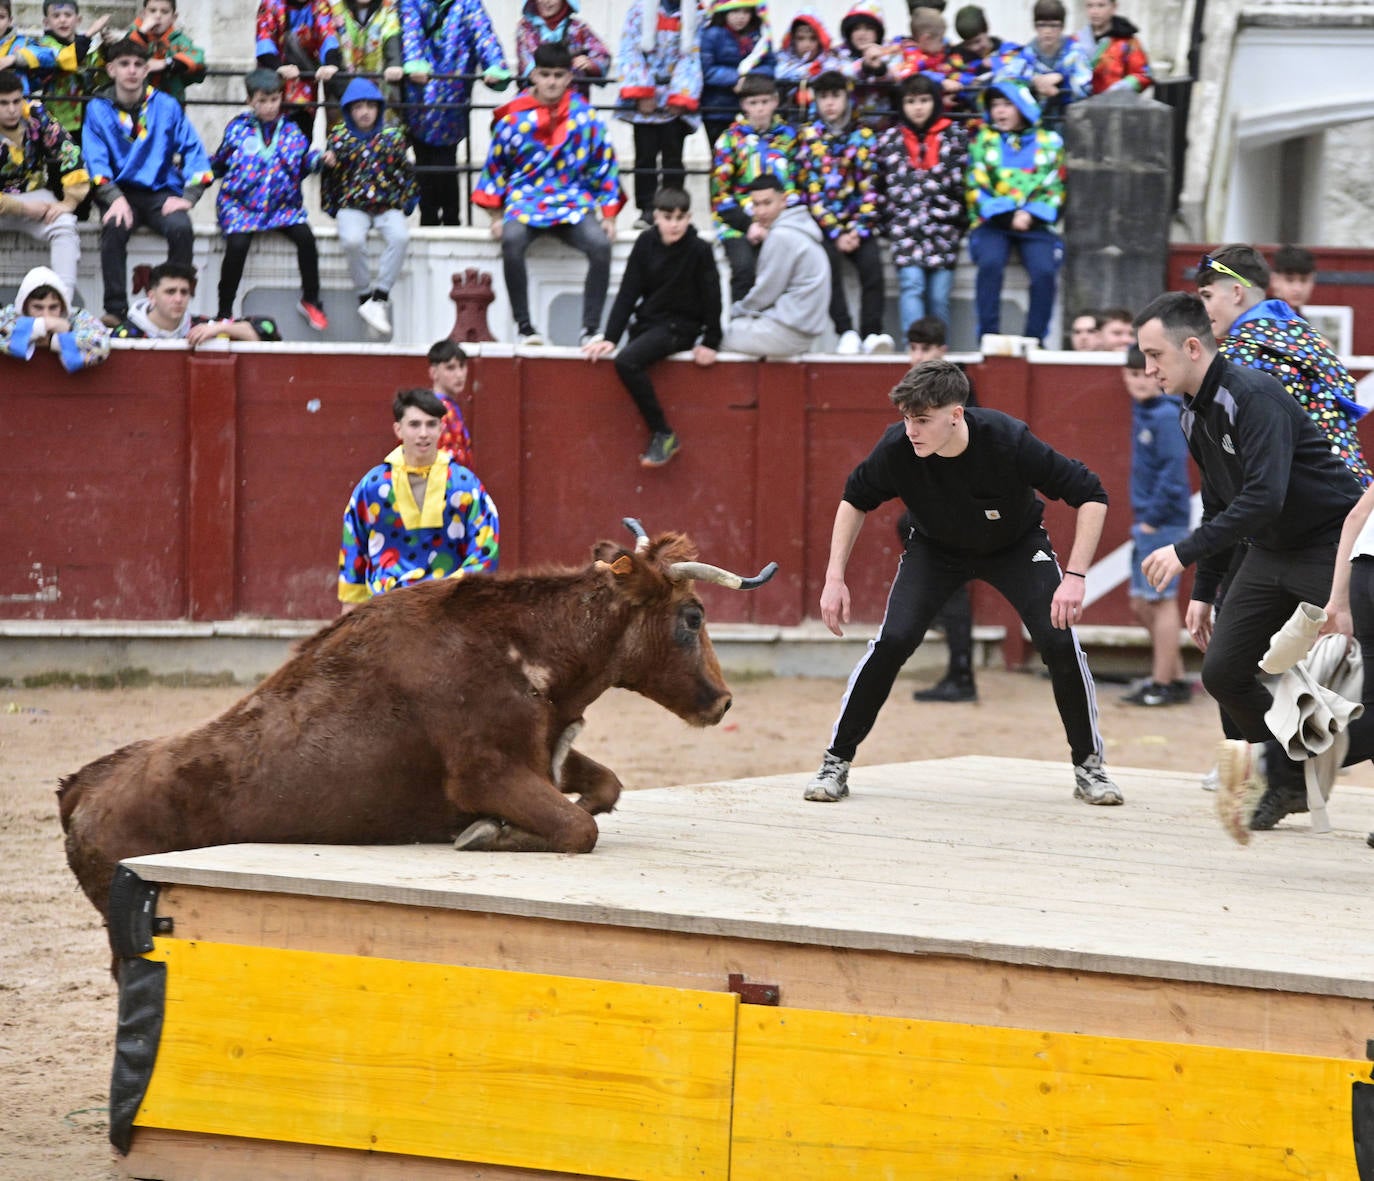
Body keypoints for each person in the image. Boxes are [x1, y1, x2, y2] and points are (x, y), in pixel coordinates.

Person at [803, 358, 1123, 806]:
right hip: (936, 549)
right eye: (906, 419)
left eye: (922, 421)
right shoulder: (897, 447)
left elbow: (1092, 495)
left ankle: (1089, 768)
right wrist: (834, 577)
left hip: (1015, 546)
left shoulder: (1009, 439)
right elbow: (854, 499)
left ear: (956, 416)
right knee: (893, 640)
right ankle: (835, 763)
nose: (911, 430)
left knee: (1057, 639)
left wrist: (1074, 576)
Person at [1134, 292, 1361, 829]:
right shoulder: (1191, 412)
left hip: (1329, 546)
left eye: (1154, 356)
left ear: (1192, 347)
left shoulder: (1254, 394)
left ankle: (1290, 774)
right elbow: (1220, 500)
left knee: (1358, 678)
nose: (1148, 370)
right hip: (1268, 550)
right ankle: (1286, 778)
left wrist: (1185, 551)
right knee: (1224, 672)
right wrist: (1204, 590)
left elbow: (1263, 499)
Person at [473, 42, 621, 347]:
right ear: (533, 76)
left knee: (600, 246)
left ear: (569, 78)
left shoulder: (585, 117)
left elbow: (604, 164)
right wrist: (496, 216)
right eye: (545, 74)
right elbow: (495, 168)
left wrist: (609, 215)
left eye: (558, 75)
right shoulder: (513, 118)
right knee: (511, 240)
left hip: (572, 201)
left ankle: (590, 329)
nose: (552, 81)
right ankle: (525, 327)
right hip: (524, 200)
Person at [1196, 244, 1371, 485]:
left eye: (1207, 295)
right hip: (1355, 492)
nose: (1202, 307)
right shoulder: (1306, 335)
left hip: (1311, 500)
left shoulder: (1241, 354)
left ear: (1237, 293)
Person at [581, 186, 722, 468]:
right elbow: (628, 292)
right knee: (627, 354)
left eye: (681, 218)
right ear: (656, 216)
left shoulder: (699, 250)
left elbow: (713, 297)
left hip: (680, 327)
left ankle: (663, 433)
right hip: (649, 324)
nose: (674, 224)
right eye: (668, 217)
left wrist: (711, 341)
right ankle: (662, 432)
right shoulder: (645, 243)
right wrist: (610, 336)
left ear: (689, 217)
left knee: (627, 361)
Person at [83, 37, 212, 327]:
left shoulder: (165, 105)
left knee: (181, 228)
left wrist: (188, 196)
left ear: (145, 70)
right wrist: (113, 197)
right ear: (111, 69)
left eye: (138, 64)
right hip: (119, 192)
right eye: (125, 64)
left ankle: (175, 308)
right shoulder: (97, 108)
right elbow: (94, 158)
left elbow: (193, 148)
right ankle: (115, 310)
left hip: (160, 192)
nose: (132, 70)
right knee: (113, 229)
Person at [339, 387, 500, 610]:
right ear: (398, 429)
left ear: (441, 428)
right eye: (414, 425)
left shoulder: (465, 486)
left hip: (448, 612)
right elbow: (353, 546)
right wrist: (350, 606)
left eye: (431, 424)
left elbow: (485, 550)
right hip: (385, 612)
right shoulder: (373, 486)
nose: (423, 433)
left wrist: (452, 594)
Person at [211, 68, 327, 331]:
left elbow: (302, 165)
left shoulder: (291, 130)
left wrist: (318, 160)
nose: (269, 106)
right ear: (250, 100)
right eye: (262, 100)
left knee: (306, 239)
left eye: (274, 99)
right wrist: (198, 171)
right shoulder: (237, 129)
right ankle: (224, 310)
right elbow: (220, 161)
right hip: (240, 205)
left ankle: (311, 300)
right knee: (237, 246)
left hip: (281, 207)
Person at [902, 316, 978, 703]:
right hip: (947, 504)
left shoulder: (955, 393)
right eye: (914, 348)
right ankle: (958, 667)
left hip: (960, 507)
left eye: (926, 349)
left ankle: (962, 675)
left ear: (942, 352)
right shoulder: (922, 391)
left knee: (954, 592)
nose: (918, 356)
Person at [796, 71, 889, 355]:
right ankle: (845, 331)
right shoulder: (808, 137)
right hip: (825, 226)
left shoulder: (864, 136)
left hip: (859, 225)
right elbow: (811, 192)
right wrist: (835, 232)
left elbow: (872, 188)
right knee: (827, 267)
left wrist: (858, 230)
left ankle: (871, 333)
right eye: (823, 97)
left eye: (835, 96)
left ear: (847, 98)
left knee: (873, 269)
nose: (830, 103)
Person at [965, 77, 1064, 345]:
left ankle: (1035, 338)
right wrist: (1007, 215)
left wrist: (1031, 214)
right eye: (995, 104)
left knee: (1044, 271)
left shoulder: (1050, 141)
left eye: (1007, 104)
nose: (999, 111)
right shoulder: (983, 140)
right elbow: (976, 183)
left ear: (1023, 105)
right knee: (990, 264)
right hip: (993, 222)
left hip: (1036, 223)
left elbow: (1054, 184)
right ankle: (988, 334)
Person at [1119, 343, 1191, 707]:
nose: (1139, 381)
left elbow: (1174, 473)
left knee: (1159, 602)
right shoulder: (1148, 411)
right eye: (1132, 374)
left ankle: (1163, 683)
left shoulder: (1163, 416)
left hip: (1161, 522)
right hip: (1151, 519)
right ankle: (1174, 676)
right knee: (1141, 603)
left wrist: (1150, 519)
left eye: (1145, 373)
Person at [399, 0, 511, 227]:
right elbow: (410, 32)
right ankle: (429, 219)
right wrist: (414, 63)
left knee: (446, 165)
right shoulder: (411, 3)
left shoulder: (468, 4)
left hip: (453, 99)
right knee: (424, 165)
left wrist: (494, 65)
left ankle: (451, 219)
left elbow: (483, 34)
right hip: (419, 98)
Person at [321, 75, 418, 337]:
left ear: (378, 107)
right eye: (358, 107)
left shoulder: (393, 136)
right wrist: (327, 166)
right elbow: (330, 179)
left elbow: (405, 171)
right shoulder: (339, 137)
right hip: (353, 206)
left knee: (400, 237)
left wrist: (407, 202)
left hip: (387, 206)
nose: (365, 112)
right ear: (349, 110)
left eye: (370, 106)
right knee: (352, 240)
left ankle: (380, 297)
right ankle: (365, 298)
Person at [874, 72, 968, 334]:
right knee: (911, 286)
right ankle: (914, 356)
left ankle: (938, 358)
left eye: (925, 100)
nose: (918, 107)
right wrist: (887, 222)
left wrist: (958, 221)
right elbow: (879, 185)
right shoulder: (890, 140)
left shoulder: (955, 137)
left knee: (939, 296)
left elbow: (964, 185)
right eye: (911, 101)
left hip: (944, 229)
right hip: (905, 228)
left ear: (936, 102)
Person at [709, 73, 797, 304]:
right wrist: (750, 226)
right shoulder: (729, 139)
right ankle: (740, 327)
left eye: (765, 102)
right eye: (753, 103)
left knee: (785, 269)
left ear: (776, 102)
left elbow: (797, 185)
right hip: (737, 224)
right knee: (744, 268)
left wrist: (778, 222)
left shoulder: (789, 138)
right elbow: (720, 194)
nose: (759, 109)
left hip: (782, 221)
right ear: (743, 105)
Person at [614, 0, 702, 231]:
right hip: (646, 102)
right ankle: (647, 209)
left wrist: (680, 96)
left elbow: (693, 55)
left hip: (675, 101)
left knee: (673, 158)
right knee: (645, 157)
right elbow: (629, 50)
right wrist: (642, 92)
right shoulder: (639, 10)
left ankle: (674, 209)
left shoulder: (696, 13)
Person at [719, 173, 828, 358]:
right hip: (798, 328)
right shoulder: (798, 227)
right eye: (755, 204)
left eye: (767, 203)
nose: (760, 211)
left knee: (714, 338)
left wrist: (734, 312)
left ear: (783, 201)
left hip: (787, 331)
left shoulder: (782, 236)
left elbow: (765, 292)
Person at [0, 69, 86, 296]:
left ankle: (63, 303)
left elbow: (69, 151)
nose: (11, 109)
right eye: (3, 103)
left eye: (16, 101)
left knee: (65, 223)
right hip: (10, 204)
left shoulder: (36, 116)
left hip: (33, 194)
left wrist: (69, 201)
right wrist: (22, 207)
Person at [111, 260, 282, 343]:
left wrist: (221, 327)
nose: (178, 299)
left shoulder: (199, 326)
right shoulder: (126, 333)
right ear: (151, 296)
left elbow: (267, 329)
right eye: (170, 292)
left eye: (184, 292)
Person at [993, 0, 1091, 132]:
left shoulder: (1075, 52)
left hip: (1071, 126)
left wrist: (1061, 79)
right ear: (1035, 26)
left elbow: (1085, 88)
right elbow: (1002, 81)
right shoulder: (1026, 54)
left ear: (1062, 27)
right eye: (1042, 25)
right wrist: (1034, 82)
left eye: (1054, 26)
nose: (1048, 31)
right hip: (1036, 129)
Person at [255, 0, 342, 141]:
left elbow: (327, 35)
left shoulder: (320, 4)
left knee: (305, 132)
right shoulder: (270, 4)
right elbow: (264, 41)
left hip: (307, 83)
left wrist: (331, 64)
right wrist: (279, 67)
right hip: (275, 81)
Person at [0, 264, 109, 371]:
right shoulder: (12, 314)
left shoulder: (76, 316)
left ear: (62, 306)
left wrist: (56, 339)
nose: (46, 315)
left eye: (53, 307)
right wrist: (40, 327)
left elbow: (102, 343)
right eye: (38, 307)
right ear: (24, 306)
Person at [34, 0, 109, 148]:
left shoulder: (82, 45)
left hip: (84, 118)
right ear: (46, 22)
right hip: (56, 120)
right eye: (56, 16)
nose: (62, 20)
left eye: (68, 15)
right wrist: (91, 32)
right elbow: (65, 58)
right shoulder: (45, 46)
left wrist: (106, 49)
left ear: (78, 19)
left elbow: (98, 74)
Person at [699, 0, 775, 147]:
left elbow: (770, 66)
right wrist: (735, 79)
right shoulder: (711, 34)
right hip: (718, 109)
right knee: (721, 153)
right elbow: (707, 70)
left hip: (752, 109)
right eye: (735, 11)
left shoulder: (761, 36)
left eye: (745, 12)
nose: (740, 17)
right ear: (724, 12)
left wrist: (747, 80)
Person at [327, 0, 403, 114]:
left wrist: (394, 64)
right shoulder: (335, 8)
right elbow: (329, 40)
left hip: (380, 88)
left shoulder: (388, 7)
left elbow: (391, 35)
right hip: (345, 88)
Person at [515, 0, 609, 91]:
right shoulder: (526, 28)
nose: (546, 1)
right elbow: (526, 65)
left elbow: (602, 56)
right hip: (538, 100)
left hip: (573, 101)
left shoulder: (579, 28)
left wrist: (590, 64)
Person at [126, 0, 205, 107]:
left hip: (170, 106)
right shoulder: (135, 34)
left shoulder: (179, 40)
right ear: (143, 14)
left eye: (164, 12)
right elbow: (125, 53)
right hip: (137, 105)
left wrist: (166, 63)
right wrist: (142, 31)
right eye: (152, 11)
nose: (158, 16)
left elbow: (197, 59)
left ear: (174, 17)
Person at [834, 3, 896, 126]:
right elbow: (837, 74)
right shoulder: (837, 54)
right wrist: (865, 65)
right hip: (849, 127)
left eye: (868, 28)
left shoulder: (891, 52)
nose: (862, 33)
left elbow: (899, 75)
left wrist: (881, 69)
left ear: (878, 32)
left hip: (885, 128)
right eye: (856, 28)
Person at [1076, 0, 1151, 95]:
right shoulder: (1076, 40)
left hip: (1116, 105)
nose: (1094, 11)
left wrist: (1123, 86)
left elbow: (1143, 75)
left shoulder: (1127, 41)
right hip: (1082, 106)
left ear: (1114, 7)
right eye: (1090, 6)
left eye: (1101, 5)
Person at [774, 8, 835, 116]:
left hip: (820, 118)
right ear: (792, 40)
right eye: (801, 38)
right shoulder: (781, 61)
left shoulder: (830, 62)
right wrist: (807, 72)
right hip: (787, 117)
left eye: (812, 39)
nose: (807, 44)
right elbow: (778, 73)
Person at [425, 337, 475, 469]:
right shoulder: (432, 409)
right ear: (434, 372)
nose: (459, 374)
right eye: (450, 368)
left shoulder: (447, 405)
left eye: (462, 366)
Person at [944, 5, 1002, 113]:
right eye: (968, 44)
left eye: (978, 41)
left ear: (986, 29)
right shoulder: (955, 57)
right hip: (966, 117)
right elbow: (948, 76)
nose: (974, 48)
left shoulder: (1005, 52)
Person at [0, 1, 57, 94]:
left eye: (1, 17)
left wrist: (15, 58)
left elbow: (50, 56)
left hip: (17, 105)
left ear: (10, 21)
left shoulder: (22, 43)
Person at [1270, 243, 1316, 312]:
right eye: (1289, 280)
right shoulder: (1263, 317)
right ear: (1275, 281)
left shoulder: (1298, 317)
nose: (1298, 289)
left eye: (1304, 280)